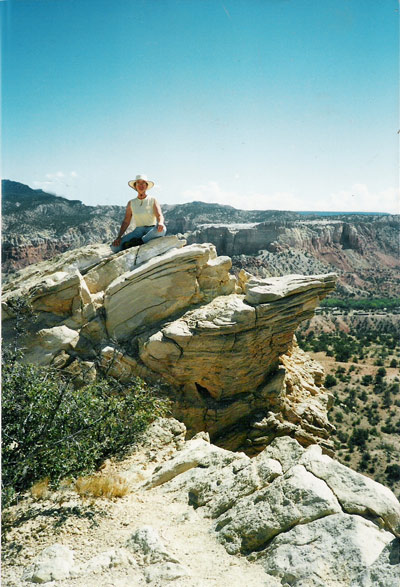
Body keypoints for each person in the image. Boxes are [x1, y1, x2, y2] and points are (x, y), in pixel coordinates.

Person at [112, 174, 167, 250]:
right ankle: (143, 241)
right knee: (114, 247)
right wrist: (119, 237)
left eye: (143, 183)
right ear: (135, 186)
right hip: (138, 231)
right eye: (138, 183)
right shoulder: (131, 203)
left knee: (162, 229)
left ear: (146, 186)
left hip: (151, 230)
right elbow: (126, 221)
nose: (141, 185)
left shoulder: (153, 200)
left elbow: (159, 215)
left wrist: (160, 223)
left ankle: (138, 242)